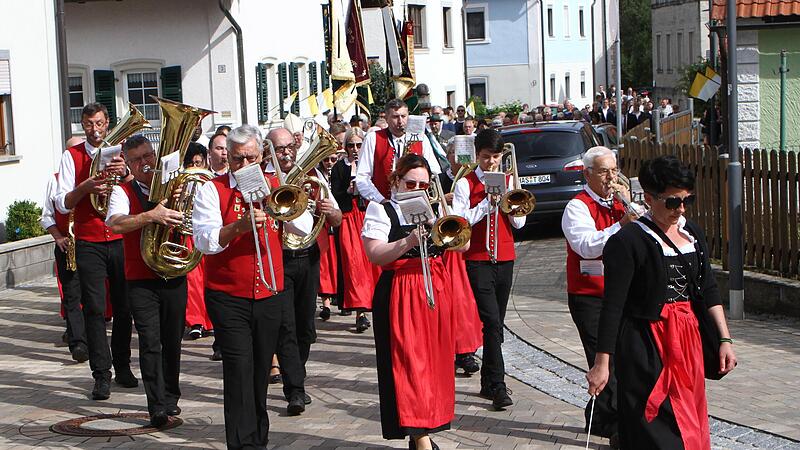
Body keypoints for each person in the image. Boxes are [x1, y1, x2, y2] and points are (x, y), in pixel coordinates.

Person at [587, 155, 737, 449]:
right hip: (645, 345)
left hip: (688, 341)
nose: (680, 210)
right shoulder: (627, 241)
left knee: (688, 417)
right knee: (654, 422)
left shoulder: (691, 233)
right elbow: (613, 306)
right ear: (649, 197)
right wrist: (602, 364)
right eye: (672, 202)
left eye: (686, 201)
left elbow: (707, 289)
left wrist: (724, 339)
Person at [193, 125, 312, 448]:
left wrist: (280, 205)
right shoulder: (211, 190)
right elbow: (204, 240)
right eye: (237, 159)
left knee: (260, 372)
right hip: (228, 296)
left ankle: (258, 437)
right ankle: (244, 443)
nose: (244, 166)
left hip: (271, 292)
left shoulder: (276, 185)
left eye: (251, 158)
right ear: (227, 158)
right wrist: (239, 227)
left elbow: (303, 228)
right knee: (239, 370)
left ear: (262, 156)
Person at [363, 153, 459, 450]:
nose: (416, 189)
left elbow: (463, 243)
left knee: (435, 363)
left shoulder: (433, 208)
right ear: (395, 181)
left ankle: (428, 425)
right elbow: (375, 254)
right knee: (408, 364)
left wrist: (441, 215)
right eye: (410, 183)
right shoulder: (381, 209)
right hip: (400, 290)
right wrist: (408, 241)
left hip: (435, 288)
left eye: (423, 184)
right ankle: (420, 437)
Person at [55, 102, 137, 400]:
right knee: (94, 309)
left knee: (124, 306)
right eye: (89, 124)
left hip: (119, 237)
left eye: (100, 123)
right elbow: (63, 202)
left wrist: (126, 173)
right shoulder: (71, 156)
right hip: (89, 240)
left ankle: (123, 366)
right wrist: (86, 187)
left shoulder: (119, 151)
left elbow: (137, 188)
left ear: (107, 123)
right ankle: (101, 374)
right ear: (83, 125)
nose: (95, 129)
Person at [106, 135, 187, 427]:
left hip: (174, 272)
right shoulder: (122, 192)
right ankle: (156, 405)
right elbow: (115, 223)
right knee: (151, 341)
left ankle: (171, 395)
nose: (145, 163)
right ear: (127, 163)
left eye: (149, 156)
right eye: (138, 159)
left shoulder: (175, 187)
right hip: (140, 278)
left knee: (172, 340)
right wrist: (151, 215)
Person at [561, 146, 638, 442]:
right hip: (588, 295)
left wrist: (630, 210)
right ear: (587, 173)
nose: (611, 177)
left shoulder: (620, 203)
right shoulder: (577, 207)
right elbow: (586, 246)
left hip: (621, 294)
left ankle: (600, 414)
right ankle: (616, 428)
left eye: (614, 170)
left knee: (621, 359)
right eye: (604, 171)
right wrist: (621, 225)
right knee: (606, 360)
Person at [267, 127, 342, 416]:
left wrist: (327, 208)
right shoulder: (264, 179)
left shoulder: (314, 178)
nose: (286, 153)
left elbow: (336, 218)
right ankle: (294, 390)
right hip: (279, 258)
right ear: (269, 151)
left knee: (304, 326)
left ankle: (296, 375)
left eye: (289, 147)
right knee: (285, 325)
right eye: (279, 148)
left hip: (307, 255)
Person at [452, 129, 526, 410]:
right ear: (477, 155)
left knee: (495, 325)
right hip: (478, 259)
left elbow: (519, 225)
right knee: (493, 323)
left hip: (505, 258)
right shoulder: (465, 184)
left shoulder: (509, 180)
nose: (491, 163)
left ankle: (487, 380)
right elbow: (460, 221)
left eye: (496, 157)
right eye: (486, 157)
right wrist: (486, 204)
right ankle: (498, 385)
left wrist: (510, 202)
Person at [41, 137, 88, 363]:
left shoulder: (95, 177)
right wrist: (58, 237)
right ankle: (77, 341)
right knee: (71, 294)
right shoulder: (55, 180)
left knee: (92, 294)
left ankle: (90, 336)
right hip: (67, 243)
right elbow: (46, 215)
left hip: (91, 243)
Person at [330, 127, 380, 331]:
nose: (355, 149)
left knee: (371, 264)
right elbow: (335, 193)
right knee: (354, 264)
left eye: (359, 145)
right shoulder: (340, 168)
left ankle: (374, 305)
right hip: (349, 218)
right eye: (351, 145)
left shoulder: (369, 165)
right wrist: (347, 191)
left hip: (368, 215)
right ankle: (360, 310)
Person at [440, 142, 482, 375]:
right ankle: (457, 351)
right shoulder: (439, 177)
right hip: (449, 248)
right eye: (458, 154)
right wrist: (443, 199)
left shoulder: (474, 179)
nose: (464, 160)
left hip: (473, 244)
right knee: (457, 301)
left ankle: (467, 349)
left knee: (469, 303)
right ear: (449, 156)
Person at [355, 99, 442, 205]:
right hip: (382, 205)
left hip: (415, 204)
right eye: (395, 117)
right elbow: (362, 178)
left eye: (403, 116)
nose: (400, 121)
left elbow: (435, 172)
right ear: (386, 118)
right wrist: (380, 200)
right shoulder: (372, 138)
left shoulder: (421, 138)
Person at [317, 152, 341, 321]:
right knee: (325, 265)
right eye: (326, 159)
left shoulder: (340, 171)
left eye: (333, 159)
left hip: (338, 220)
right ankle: (325, 302)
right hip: (323, 225)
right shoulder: (318, 175)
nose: (329, 162)